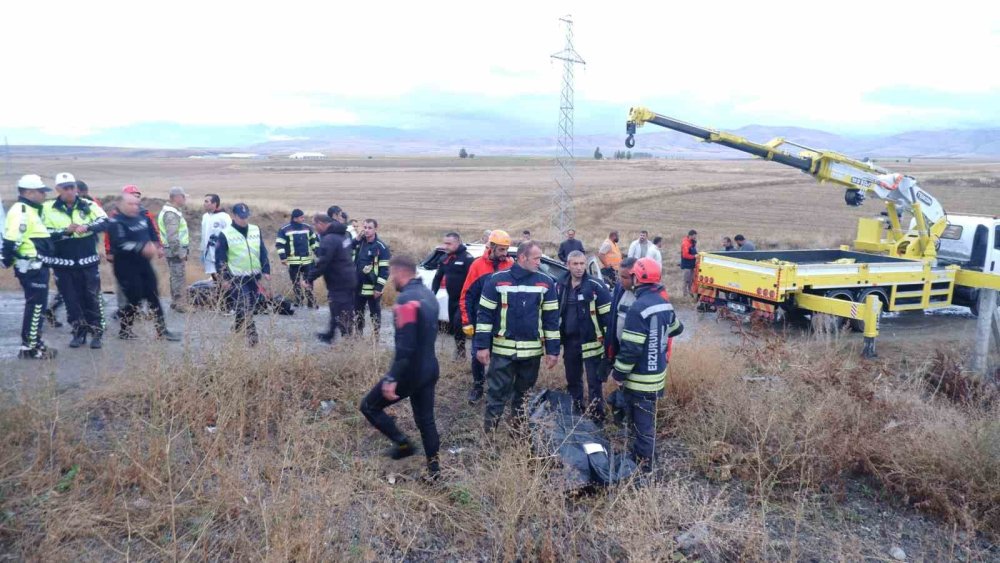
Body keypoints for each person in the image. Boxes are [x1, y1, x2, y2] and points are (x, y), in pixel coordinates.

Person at [358, 255, 441, 479]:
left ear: (400, 272)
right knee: (426, 420)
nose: (390, 279)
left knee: (368, 406)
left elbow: (405, 345)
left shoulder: (406, 301)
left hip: (410, 372)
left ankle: (403, 444)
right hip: (430, 367)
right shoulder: (428, 295)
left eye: (391, 274)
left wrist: (392, 378)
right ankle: (435, 472)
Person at [475, 240, 560, 432]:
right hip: (502, 352)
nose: (540, 262)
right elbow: (484, 315)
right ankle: (490, 438)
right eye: (537, 258)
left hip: (531, 354)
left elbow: (551, 321)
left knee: (524, 397)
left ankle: (518, 435)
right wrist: (482, 346)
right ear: (522, 257)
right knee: (496, 395)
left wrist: (553, 351)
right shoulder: (496, 280)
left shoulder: (546, 283)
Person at [609, 257, 684, 472]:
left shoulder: (638, 307)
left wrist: (618, 374)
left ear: (637, 277)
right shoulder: (664, 303)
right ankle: (643, 457)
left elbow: (631, 349)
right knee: (646, 421)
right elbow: (677, 329)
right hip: (656, 375)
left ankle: (644, 467)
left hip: (639, 378)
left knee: (642, 425)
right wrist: (656, 334)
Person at [43, 172, 110, 349]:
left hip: (87, 261)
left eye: (72, 187)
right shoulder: (48, 208)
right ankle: (78, 331)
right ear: (58, 189)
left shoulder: (88, 204)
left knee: (92, 297)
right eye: (66, 188)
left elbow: (105, 221)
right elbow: (41, 232)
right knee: (70, 299)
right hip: (62, 263)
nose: (70, 191)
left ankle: (97, 332)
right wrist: (63, 231)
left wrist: (88, 226)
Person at [107, 193, 180, 341]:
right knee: (134, 298)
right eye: (130, 204)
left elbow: (151, 234)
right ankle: (125, 330)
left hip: (144, 264)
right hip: (125, 267)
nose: (135, 207)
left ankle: (162, 330)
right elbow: (119, 244)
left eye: (137, 204)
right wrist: (141, 247)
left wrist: (156, 245)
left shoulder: (142, 217)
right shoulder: (116, 222)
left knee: (153, 296)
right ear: (121, 205)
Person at [2, 175, 58, 359]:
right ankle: (29, 347)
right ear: (28, 192)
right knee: (35, 306)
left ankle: (35, 342)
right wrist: (9, 259)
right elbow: (11, 239)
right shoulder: (22, 211)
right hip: (31, 267)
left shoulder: (31, 210)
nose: (44, 195)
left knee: (38, 306)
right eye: (41, 191)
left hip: (38, 265)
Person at [458, 229, 513, 404]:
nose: (505, 254)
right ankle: (478, 387)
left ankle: (498, 388)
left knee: (501, 357)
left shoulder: (510, 265)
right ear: (492, 247)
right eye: (501, 250)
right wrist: (466, 321)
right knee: (477, 356)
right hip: (481, 321)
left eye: (507, 249)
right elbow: (466, 295)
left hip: (503, 323)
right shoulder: (477, 266)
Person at [559, 250, 612, 421]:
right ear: (568, 265)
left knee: (594, 382)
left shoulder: (596, 286)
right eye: (575, 264)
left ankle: (597, 415)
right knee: (573, 378)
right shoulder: (561, 285)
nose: (579, 267)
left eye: (582, 263)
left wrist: (608, 343)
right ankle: (576, 410)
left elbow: (608, 318)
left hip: (592, 342)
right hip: (569, 341)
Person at [215, 203, 270, 346]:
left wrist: (266, 270)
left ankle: (237, 328)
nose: (244, 220)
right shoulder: (225, 234)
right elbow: (220, 259)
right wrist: (225, 278)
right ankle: (253, 337)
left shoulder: (255, 229)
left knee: (249, 306)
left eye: (246, 217)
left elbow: (262, 251)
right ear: (234, 216)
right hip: (236, 278)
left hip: (254, 276)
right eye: (241, 217)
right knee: (244, 305)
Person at [307, 213, 356, 343]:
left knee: (341, 310)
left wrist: (309, 278)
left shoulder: (329, 239)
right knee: (337, 308)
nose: (314, 228)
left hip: (339, 280)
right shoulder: (343, 235)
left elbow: (323, 262)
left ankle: (348, 340)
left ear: (321, 224)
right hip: (348, 277)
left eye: (314, 224)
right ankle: (330, 334)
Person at [431, 232, 473, 358]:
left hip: (465, 299)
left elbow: (474, 280)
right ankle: (460, 352)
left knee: (459, 323)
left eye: (449, 244)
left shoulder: (467, 258)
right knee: (454, 326)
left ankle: (468, 353)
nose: (446, 246)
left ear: (458, 242)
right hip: (452, 299)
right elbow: (438, 278)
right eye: (445, 243)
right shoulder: (444, 259)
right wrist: (433, 294)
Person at [353, 218, 391, 336]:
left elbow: (385, 270)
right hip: (358, 286)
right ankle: (359, 336)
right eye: (364, 227)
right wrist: (356, 239)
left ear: (375, 229)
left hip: (372, 288)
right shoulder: (360, 242)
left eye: (370, 228)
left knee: (374, 313)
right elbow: (347, 248)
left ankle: (376, 337)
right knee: (358, 312)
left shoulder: (381, 247)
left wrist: (379, 288)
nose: (367, 230)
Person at [276, 208, 319, 308]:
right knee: (295, 282)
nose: (303, 219)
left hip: (307, 261)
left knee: (309, 281)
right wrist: (283, 258)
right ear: (295, 218)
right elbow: (279, 244)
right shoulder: (284, 229)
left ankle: (310, 301)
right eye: (301, 217)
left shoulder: (308, 228)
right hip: (293, 261)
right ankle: (299, 300)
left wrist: (318, 253)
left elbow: (313, 242)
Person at [158, 186, 191, 312]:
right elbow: (172, 236)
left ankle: (175, 302)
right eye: (183, 197)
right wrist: (180, 252)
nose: (184, 200)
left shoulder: (170, 211)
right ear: (177, 198)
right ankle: (180, 304)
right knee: (179, 276)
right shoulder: (171, 214)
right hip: (175, 251)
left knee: (175, 276)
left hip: (171, 250)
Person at [200, 193, 231, 279]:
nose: (204, 204)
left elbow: (230, 234)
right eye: (204, 201)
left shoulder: (224, 217)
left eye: (207, 201)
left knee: (222, 276)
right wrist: (202, 250)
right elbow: (203, 235)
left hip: (219, 252)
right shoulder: (205, 217)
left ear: (214, 204)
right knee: (213, 275)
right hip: (208, 253)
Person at [680, 229, 698, 298]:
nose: (695, 237)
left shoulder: (692, 243)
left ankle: (690, 292)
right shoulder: (685, 243)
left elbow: (694, 252)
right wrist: (694, 256)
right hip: (687, 265)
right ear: (690, 235)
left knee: (691, 280)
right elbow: (685, 255)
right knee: (686, 280)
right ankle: (684, 295)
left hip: (692, 265)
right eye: (694, 236)